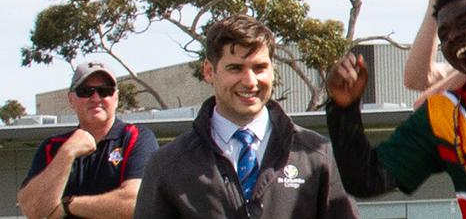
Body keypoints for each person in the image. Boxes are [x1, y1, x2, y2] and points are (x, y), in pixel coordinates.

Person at [325, 0, 466, 218]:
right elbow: (367, 180)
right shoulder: (444, 115)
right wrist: (344, 109)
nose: (454, 37)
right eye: (444, 35)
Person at [133, 15, 355, 219]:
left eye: (259, 68)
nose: (250, 81)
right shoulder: (169, 165)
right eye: (236, 68)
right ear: (209, 71)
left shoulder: (317, 156)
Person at [18, 62, 157, 219]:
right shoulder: (53, 147)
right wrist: (67, 153)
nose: (96, 98)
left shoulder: (136, 137)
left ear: (116, 97)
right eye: (85, 92)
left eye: (105, 91)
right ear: (71, 100)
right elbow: (32, 209)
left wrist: (68, 205)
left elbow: (136, 203)